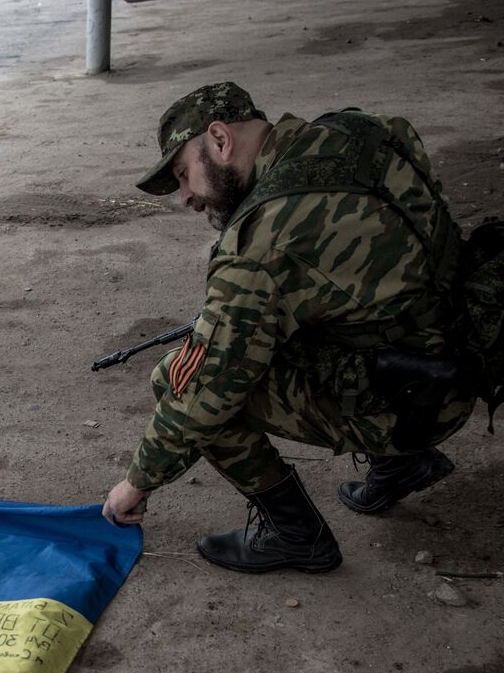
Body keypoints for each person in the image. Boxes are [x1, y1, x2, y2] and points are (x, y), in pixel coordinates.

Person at [101, 83, 474, 573]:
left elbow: (206, 389)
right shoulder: (365, 131)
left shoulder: (263, 240)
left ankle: (296, 536)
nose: (187, 197)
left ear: (219, 140)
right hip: (461, 355)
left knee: (177, 379)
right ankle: (402, 464)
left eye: (183, 175)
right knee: (298, 327)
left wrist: (138, 482)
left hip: (414, 403)